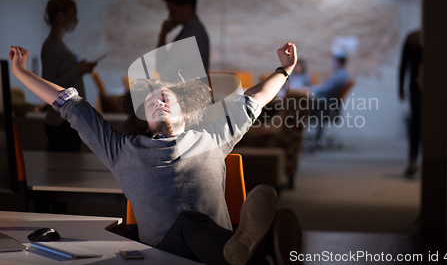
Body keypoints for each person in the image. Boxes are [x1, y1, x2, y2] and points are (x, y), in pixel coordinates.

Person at [9, 43, 302, 265]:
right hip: (165, 255)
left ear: (186, 114)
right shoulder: (123, 150)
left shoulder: (211, 136)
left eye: (166, 97)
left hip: (214, 248)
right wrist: (21, 72)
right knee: (188, 223)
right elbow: (70, 105)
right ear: (142, 119)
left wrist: (285, 70)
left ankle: (251, 249)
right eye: (149, 101)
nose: (158, 101)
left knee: (222, 230)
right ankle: (253, 248)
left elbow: (254, 99)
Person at [41, 0, 96, 152]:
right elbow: (48, 87)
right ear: (61, 16)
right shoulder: (51, 46)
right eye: (73, 15)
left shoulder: (58, 46)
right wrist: (78, 70)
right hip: (61, 121)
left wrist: (80, 69)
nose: (76, 20)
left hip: (68, 119)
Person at [157, 0, 210, 74]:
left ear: (187, 8)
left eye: (173, 11)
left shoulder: (193, 35)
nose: (170, 16)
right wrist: (163, 34)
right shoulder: (190, 32)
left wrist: (163, 35)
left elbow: (165, 70)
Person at [308, 51, 349, 145]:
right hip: (327, 102)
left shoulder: (340, 75)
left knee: (305, 106)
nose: (332, 63)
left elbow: (327, 88)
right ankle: (316, 137)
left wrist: (313, 90)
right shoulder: (339, 73)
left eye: (333, 61)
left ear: (338, 62)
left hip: (326, 104)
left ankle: (310, 137)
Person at [398, 30, 422, 178]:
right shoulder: (434, 36)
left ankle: (413, 159)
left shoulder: (413, 38)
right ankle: (415, 159)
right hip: (423, 87)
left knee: (416, 123)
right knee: (420, 123)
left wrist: (400, 87)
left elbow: (404, 64)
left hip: (415, 87)